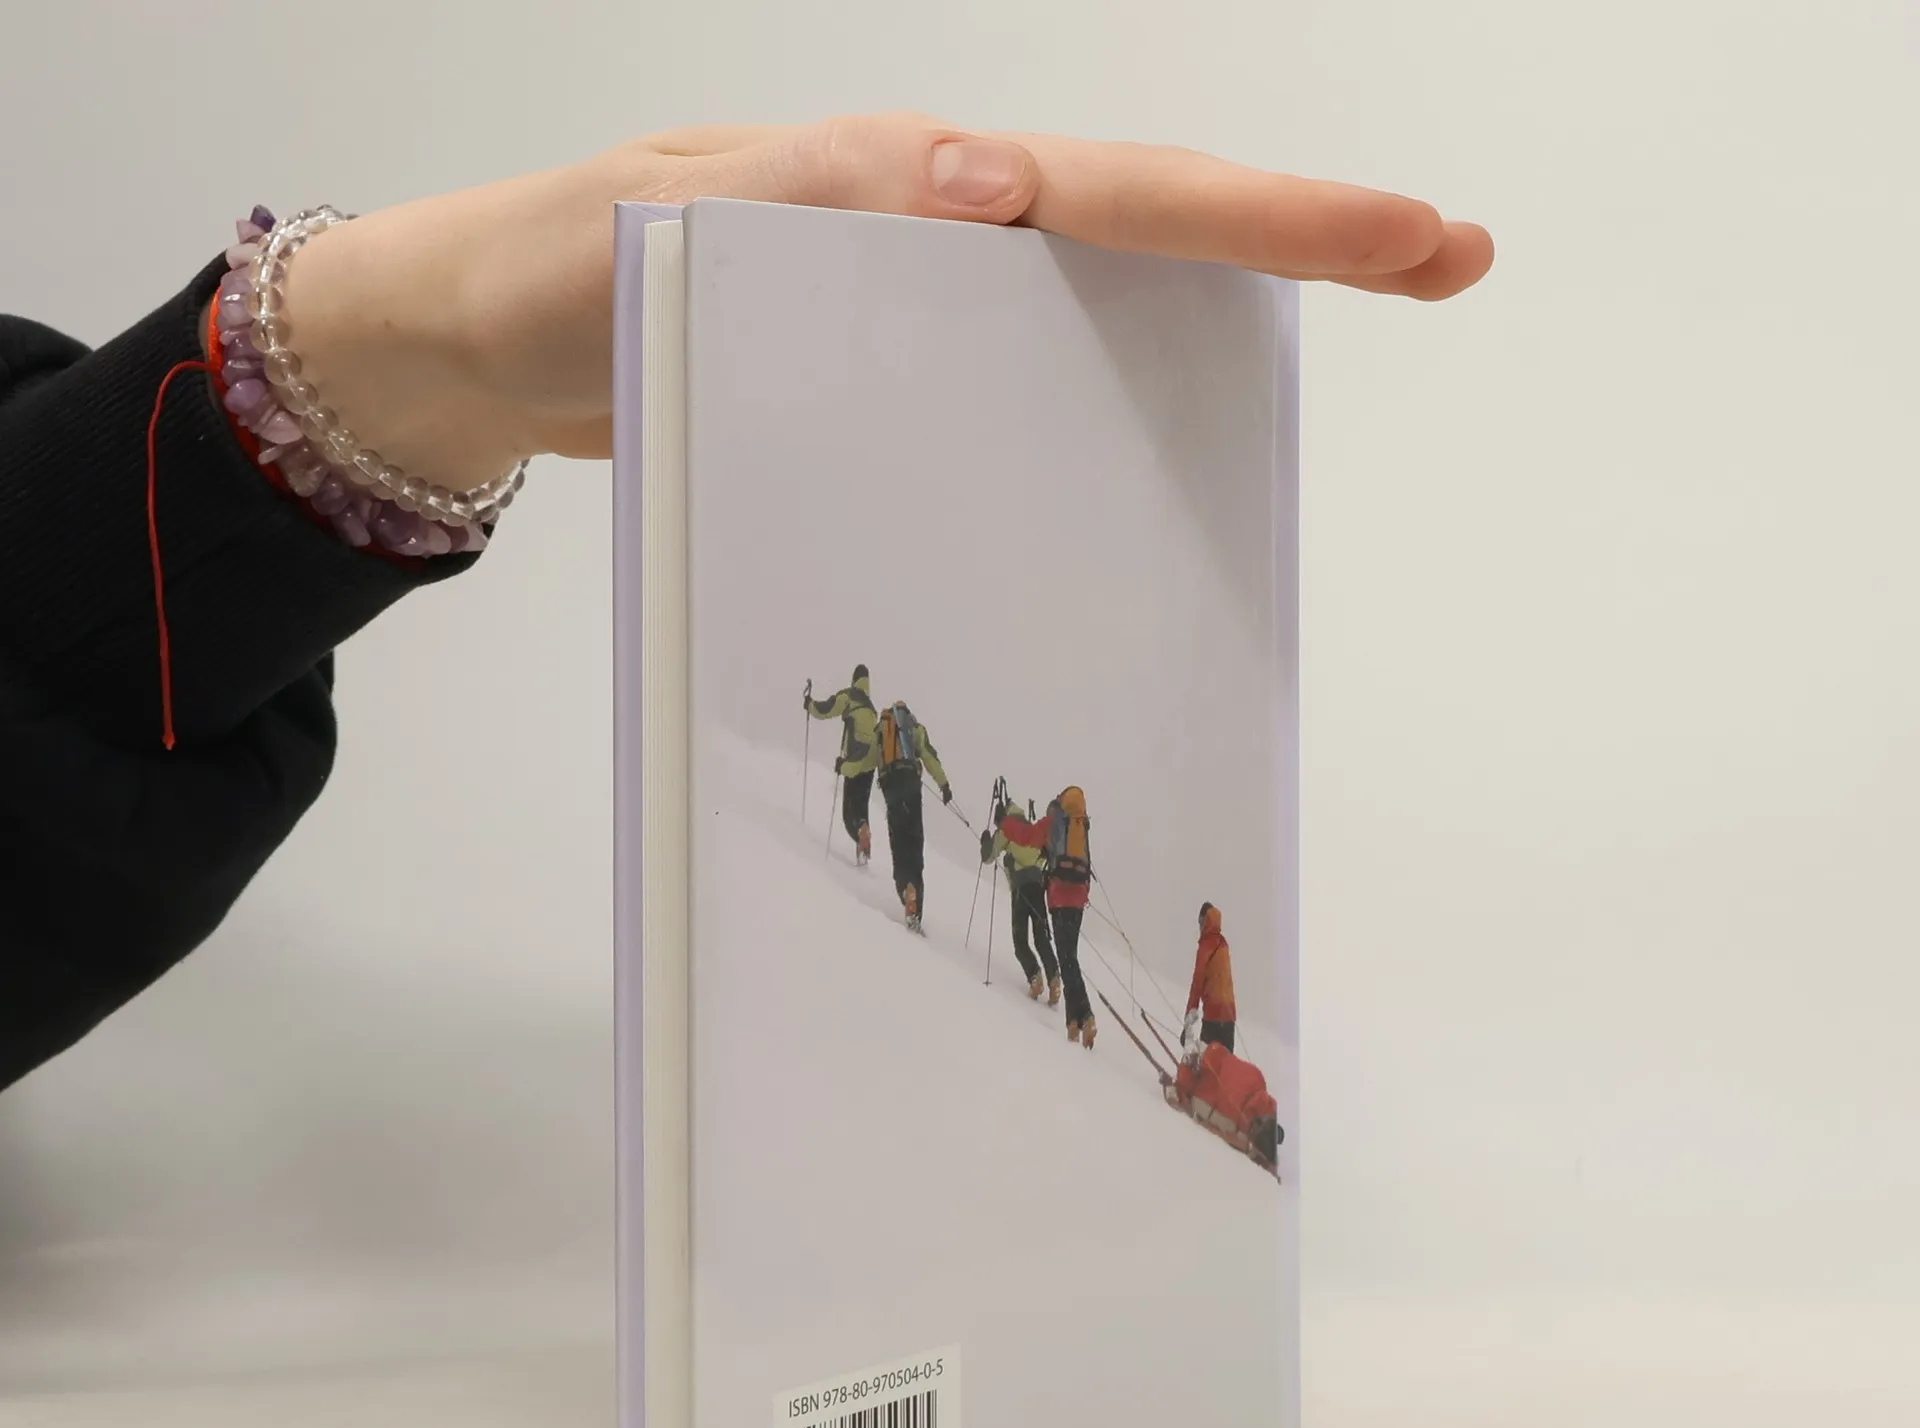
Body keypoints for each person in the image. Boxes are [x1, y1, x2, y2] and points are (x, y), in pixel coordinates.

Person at [0, 113, 1491, 1092]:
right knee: (941, 881)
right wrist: (380, 357)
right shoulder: (942, 766)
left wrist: (391, 359)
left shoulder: (1068, 839)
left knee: (1003, 921)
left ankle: (1001, 956)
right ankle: (950, 921)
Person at [995, 786, 1096, 1046]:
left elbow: (1026, 835)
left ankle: (1085, 1015)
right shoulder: (1080, 825)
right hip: (1079, 897)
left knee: (1068, 959)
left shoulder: (1054, 821)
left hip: (1060, 897)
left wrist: (1003, 823)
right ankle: (1073, 1022)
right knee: (1069, 957)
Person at [873, 700, 951, 931]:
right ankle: (915, 902)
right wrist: (944, 784)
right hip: (910, 785)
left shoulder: (881, 730)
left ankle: (905, 888)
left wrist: (847, 768)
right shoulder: (914, 728)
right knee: (914, 843)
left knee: (898, 844)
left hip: (891, 787)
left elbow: (868, 759)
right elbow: (928, 756)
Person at [980, 799, 1060, 1003]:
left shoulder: (1008, 830)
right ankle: (1053, 977)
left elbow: (988, 857)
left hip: (1020, 889)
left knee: (1020, 940)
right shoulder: (1030, 830)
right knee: (1041, 938)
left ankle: (1034, 976)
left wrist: (986, 841)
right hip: (1037, 887)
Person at [805, 664, 877, 863]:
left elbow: (826, 709)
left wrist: (810, 705)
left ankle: (860, 832)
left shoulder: (849, 695)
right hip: (870, 764)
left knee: (848, 815)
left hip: (854, 760)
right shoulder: (872, 708)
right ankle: (863, 850)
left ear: (854, 679)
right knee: (861, 807)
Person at [1184, 902, 1237, 1054]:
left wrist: (1188, 1020)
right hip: (1229, 1018)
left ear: (1204, 920)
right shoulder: (1223, 944)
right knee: (1225, 1063)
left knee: (1206, 1062)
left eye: (1200, 922)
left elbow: (1198, 981)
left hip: (1213, 1016)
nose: (1200, 928)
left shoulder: (1206, 945)